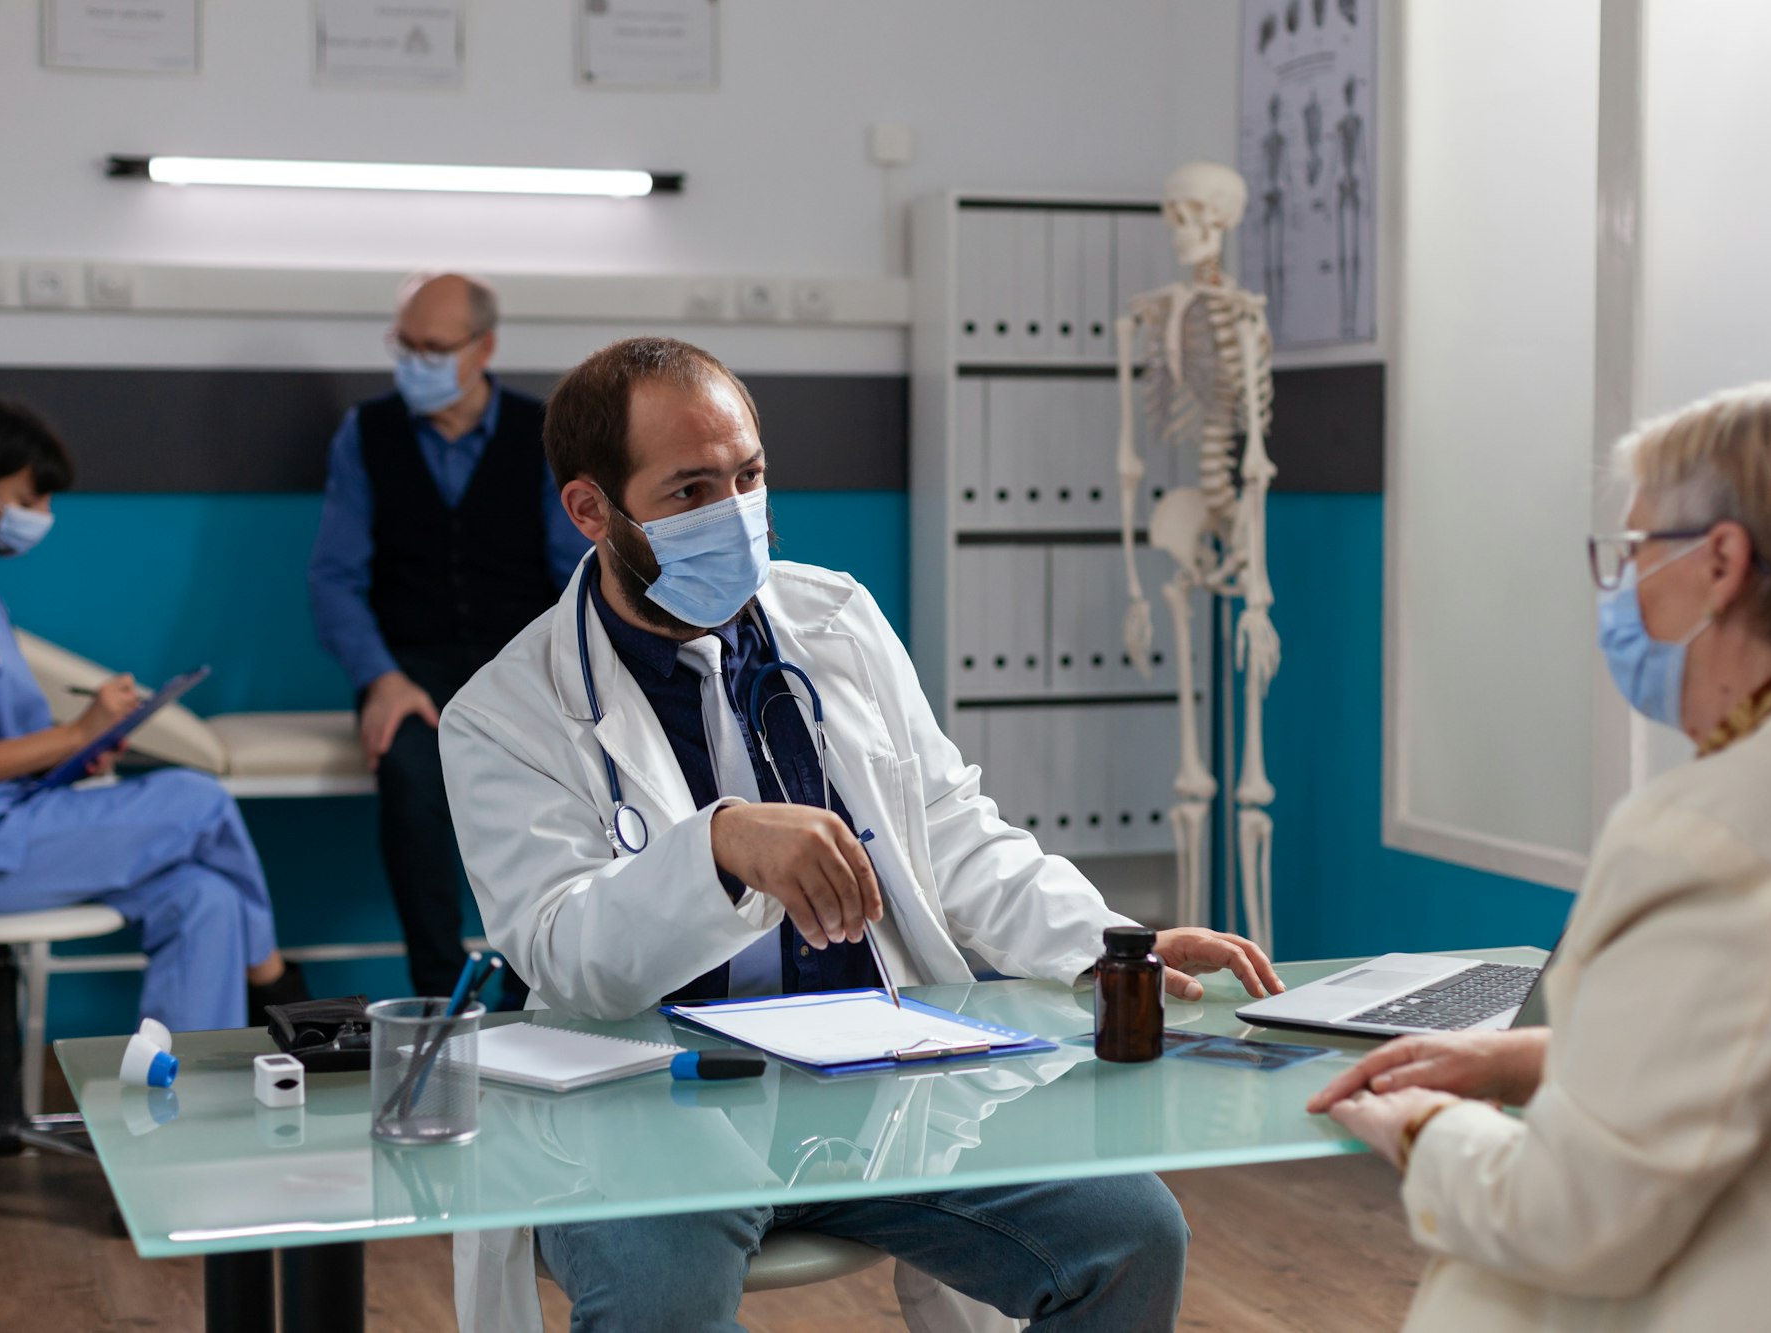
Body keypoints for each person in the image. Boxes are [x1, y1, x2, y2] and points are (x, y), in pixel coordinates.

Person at [439, 336, 1288, 1331]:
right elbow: (564, 954)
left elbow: (954, 831)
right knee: (662, 1295)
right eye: (690, 491)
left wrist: (1104, 943)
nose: (734, 515)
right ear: (590, 510)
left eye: (748, 476)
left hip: (874, 1077)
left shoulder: (834, 619)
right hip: (652, 1103)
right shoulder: (503, 713)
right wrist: (717, 847)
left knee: (1131, 1233)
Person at [1311, 374, 1771, 1331]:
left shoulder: (1719, 833)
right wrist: (1537, 1058)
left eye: (1633, 552)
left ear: (1721, 562)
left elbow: (1571, 1216)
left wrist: (1424, 1129)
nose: (1617, 593)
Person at [0, 399, 306, 1031]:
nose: (42, 518)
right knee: (198, 797)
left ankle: (179, 1109)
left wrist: (82, 752)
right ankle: (279, 987)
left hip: (4, 827)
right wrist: (76, 732)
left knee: (206, 899)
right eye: (28, 500)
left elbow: (2, 745)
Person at [307, 273, 588, 1004]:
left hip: (523, 661)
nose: (415, 361)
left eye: (433, 347)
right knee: (410, 780)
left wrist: (576, 674)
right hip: (413, 670)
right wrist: (379, 677)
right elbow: (334, 579)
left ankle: (533, 987)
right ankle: (438, 996)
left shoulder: (544, 431)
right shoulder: (366, 435)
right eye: (405, 345)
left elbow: (576, 574)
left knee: (550, 790)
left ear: (483, 347)